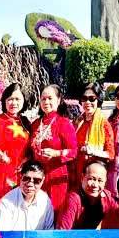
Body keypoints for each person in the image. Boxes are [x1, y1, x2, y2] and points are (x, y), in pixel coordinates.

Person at [0, 82, 32, 221]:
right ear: (4, 101)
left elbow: (30, 149)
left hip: (20, 172)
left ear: (24, 100)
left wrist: (26, 161)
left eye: (17, 99)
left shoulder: (25, 123)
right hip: (0, 171)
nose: (14, 103)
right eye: (10, 99)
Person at [30, 83, 78, 213]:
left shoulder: (64, 123)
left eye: (50, 98)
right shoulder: (35, 124)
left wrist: (56, 153)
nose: (46, 102)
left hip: (56, 176)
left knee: (54, 211)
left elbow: (74, 151)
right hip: (37, 175)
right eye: (43, 99)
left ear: (58, 100)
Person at [0, 160, 55, 231]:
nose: (30, 184)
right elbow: (1, 235)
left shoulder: (45, 201)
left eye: (36, 181)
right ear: (20, 177)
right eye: (26, 179)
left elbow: (49, 232)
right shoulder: (6, 203)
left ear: (43, 181)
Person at [56, 160, 119, 230]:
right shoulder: (73, 199)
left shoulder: (106, 197)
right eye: (91, 179)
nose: (95, 185)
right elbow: (62, 232)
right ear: (82, 178)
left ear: (105, 182)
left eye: (100, 180)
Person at [74, 83, 115, 181]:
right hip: (77, 172)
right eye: (84, 98)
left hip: (94, 175)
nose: (87, 102)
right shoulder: (77, 122)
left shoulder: (104, 124)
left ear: (98, 100)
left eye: (92, 99)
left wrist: (93, 151)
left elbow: (111, 154)